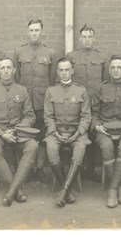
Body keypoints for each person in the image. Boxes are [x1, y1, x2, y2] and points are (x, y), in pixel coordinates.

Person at [0, 58, 38, 206]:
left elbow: (30, 116)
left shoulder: (22, 90)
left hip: (19, 132)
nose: (6, 71)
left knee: (33, 146)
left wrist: (16, 130)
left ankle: (10, 192)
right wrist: (1, 134)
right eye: (2, 68)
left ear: (14, 70)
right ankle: (16, 189)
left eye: (9, 68)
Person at [90, 55, 121, 208]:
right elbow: (94, 113)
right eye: (113, 67)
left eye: (119, 67)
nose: (116, 70)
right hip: (104, 129)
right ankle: (118, 189)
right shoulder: (101, 88)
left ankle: (112, 190)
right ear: (109, 70)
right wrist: (97, 126)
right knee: (107, 147)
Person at [42, 58, 92, 208]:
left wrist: (78, 133)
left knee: (80, 148)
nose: (64, 73)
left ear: (72, 71)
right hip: (56, 132)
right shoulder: (51, 91)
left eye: (67, 70)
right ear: (57, 72)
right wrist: (55, 133)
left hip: (77, 132)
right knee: (51, 148)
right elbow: (48, 116)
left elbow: (86, 116)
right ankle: (67, 190)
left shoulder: (81, 91)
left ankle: (63, 191)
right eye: (61, 70)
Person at [14, 19, 58, 137]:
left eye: (37, 30)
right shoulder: (19, 52)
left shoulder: (50, 52)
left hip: (42, 102)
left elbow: (53, 78)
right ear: (28, 32)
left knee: (43, 133)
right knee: (24, 134)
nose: (34, 33)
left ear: (42, 32)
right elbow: (17, 77)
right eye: (31, 30)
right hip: (24, 100)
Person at [67, 25, 109, 91]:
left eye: (90, 37)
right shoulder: (71, 56)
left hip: (96, 97)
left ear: (94, 38)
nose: (87, 40)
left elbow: (106, 81)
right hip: (77, 96)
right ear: (80, 38)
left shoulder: (102, 57)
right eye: (84, 37)